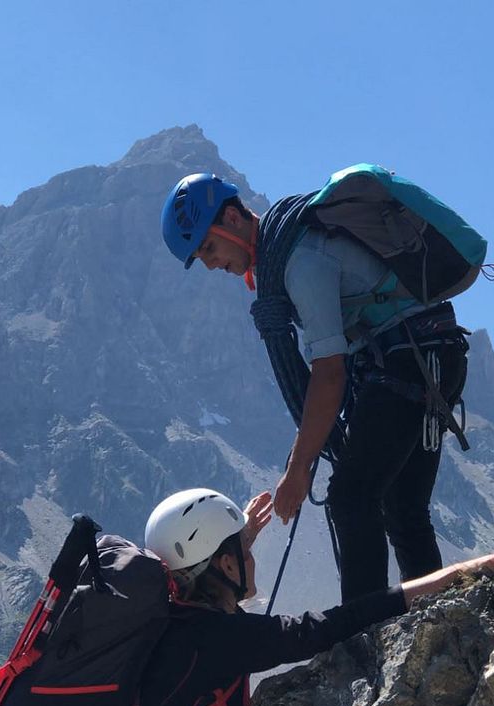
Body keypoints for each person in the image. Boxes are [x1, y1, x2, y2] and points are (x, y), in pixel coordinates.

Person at [161, 172, 472, 602]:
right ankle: (441, 615)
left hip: (408, 361)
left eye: (208, 247)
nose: (211, 264)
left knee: (350, 499)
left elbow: (329, 373)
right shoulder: (291, 248)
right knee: (401, 509)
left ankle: (361, 634)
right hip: (428, 354)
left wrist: (298, 470)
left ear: (231, 218)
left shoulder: (300, 261)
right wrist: (302, 452)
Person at [138, 488, 494, 706]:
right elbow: (337, 622)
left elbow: (214, 589)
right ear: (225, 564)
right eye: (244, 552)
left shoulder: (170, 619)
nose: (253, 556)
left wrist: (237, 542)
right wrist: (457, 572)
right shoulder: (225, 639)